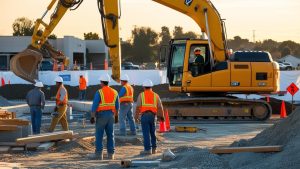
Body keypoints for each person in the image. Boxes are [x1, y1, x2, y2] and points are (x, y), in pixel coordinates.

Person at [90, 74, 119, 160]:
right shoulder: (115, 92)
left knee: (99, 135)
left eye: (100, 82)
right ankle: (111, 154)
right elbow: (117, 106)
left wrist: (92, 117)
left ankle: (99, 154)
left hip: (101, 116)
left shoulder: (99, 92)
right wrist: (116, 117)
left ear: (102, 83)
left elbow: (94, 105)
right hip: (111, 115)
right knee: (110, 135)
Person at [135, 79, 165, 155]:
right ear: (151, 87)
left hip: (144, 116)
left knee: (146, 133)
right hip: (153, 116)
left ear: (144, 87)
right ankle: (154, 149)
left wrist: (136, 117)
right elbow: (160, 107)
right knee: (153, 133)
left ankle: (148, 150)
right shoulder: (156, 95)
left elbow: (138, 107)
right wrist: (162, 117)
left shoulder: (141, 95)